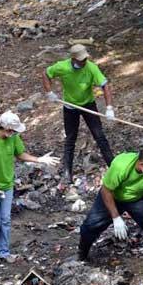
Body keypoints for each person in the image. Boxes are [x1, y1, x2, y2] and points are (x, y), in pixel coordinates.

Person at [78, 146, 143, 280]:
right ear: (141, 164)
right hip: (113, 196)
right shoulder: (121, 164)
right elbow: (106, 190)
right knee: (91, 225)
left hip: (137, 198)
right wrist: (116, 217)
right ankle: (81, 254)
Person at [0, 111, 59, 265]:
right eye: (13, 130)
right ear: (7, 129)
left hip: (7, 184)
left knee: (6, 219)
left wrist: (39, 159)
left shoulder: (14, 138)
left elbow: (20, 155)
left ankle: (3, 251)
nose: (15, 133)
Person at [42, 44, 115, 184]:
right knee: (70, 139)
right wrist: (49, 92)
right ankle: (67, 173)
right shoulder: (62, 67)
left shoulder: (91, 67)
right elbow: (46, 73)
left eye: (85, 59)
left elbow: (105, 85)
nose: (84, 62)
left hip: (88, 104)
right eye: (81, 60)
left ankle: (112, 166)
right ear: (73, 59)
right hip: (70, 107)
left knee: (100, 136)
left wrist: (109, 107)